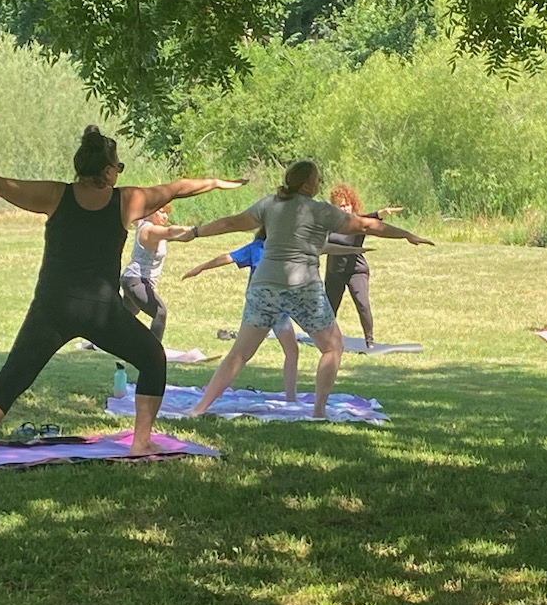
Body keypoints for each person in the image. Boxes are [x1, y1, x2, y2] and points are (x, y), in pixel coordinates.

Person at [0, 125, 243, 460]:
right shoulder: (126, 200)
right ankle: (140, 442)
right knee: (152, 358)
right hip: (102, 311)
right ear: (109, 170)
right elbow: (177, 188)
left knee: (12, 377)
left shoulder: (55, 195)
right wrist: (215, 182)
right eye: (119, 167)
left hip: (53, 308)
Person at [176, 160, 433, 419]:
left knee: (239, 353)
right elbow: (367, 225)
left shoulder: (270, 204)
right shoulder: (320, 211)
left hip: (264, 285)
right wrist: (406, 234)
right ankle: (319, 412)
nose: (319, 184)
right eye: (318, 179)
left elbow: (231, 223)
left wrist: (196, 232)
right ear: (308, 184)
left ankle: (198, 408)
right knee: (332, 347)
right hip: (303, 287)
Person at [179, 229, 366, 401]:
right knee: (241, 354)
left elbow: (323, 248)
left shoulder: (290, 249)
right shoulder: (257, 248)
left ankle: (290, 398)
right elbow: (227, 257)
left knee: (289, 351)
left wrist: (355, 249)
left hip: (282, 310)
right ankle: (211, 391)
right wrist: (201, 267)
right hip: (261, 308)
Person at [324, 184, 403, 350]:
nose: (345, 208)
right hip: (334, 272)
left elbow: (371, 218)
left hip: (356, 271)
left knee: (362, 304)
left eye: (347, 204)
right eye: (341, 205)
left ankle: (370, 341)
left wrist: (382, 213)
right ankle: (326, 340)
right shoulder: (329, 225)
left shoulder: (358, 223)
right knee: (330, 308)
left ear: (352, 204)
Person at [121, 203, 194, 342]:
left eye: (167, 213)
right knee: (160, 313)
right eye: (161, 212)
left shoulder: (143, 223)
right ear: (150, 212)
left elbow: (176, 236)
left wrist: (195, 234)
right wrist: (193, 230)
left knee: (126, 316)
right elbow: (171, 232)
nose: (165, 216)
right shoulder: (150, 230)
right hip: (137, 280)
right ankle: (154, 353)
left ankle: (98, 342)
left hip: (133, 279)